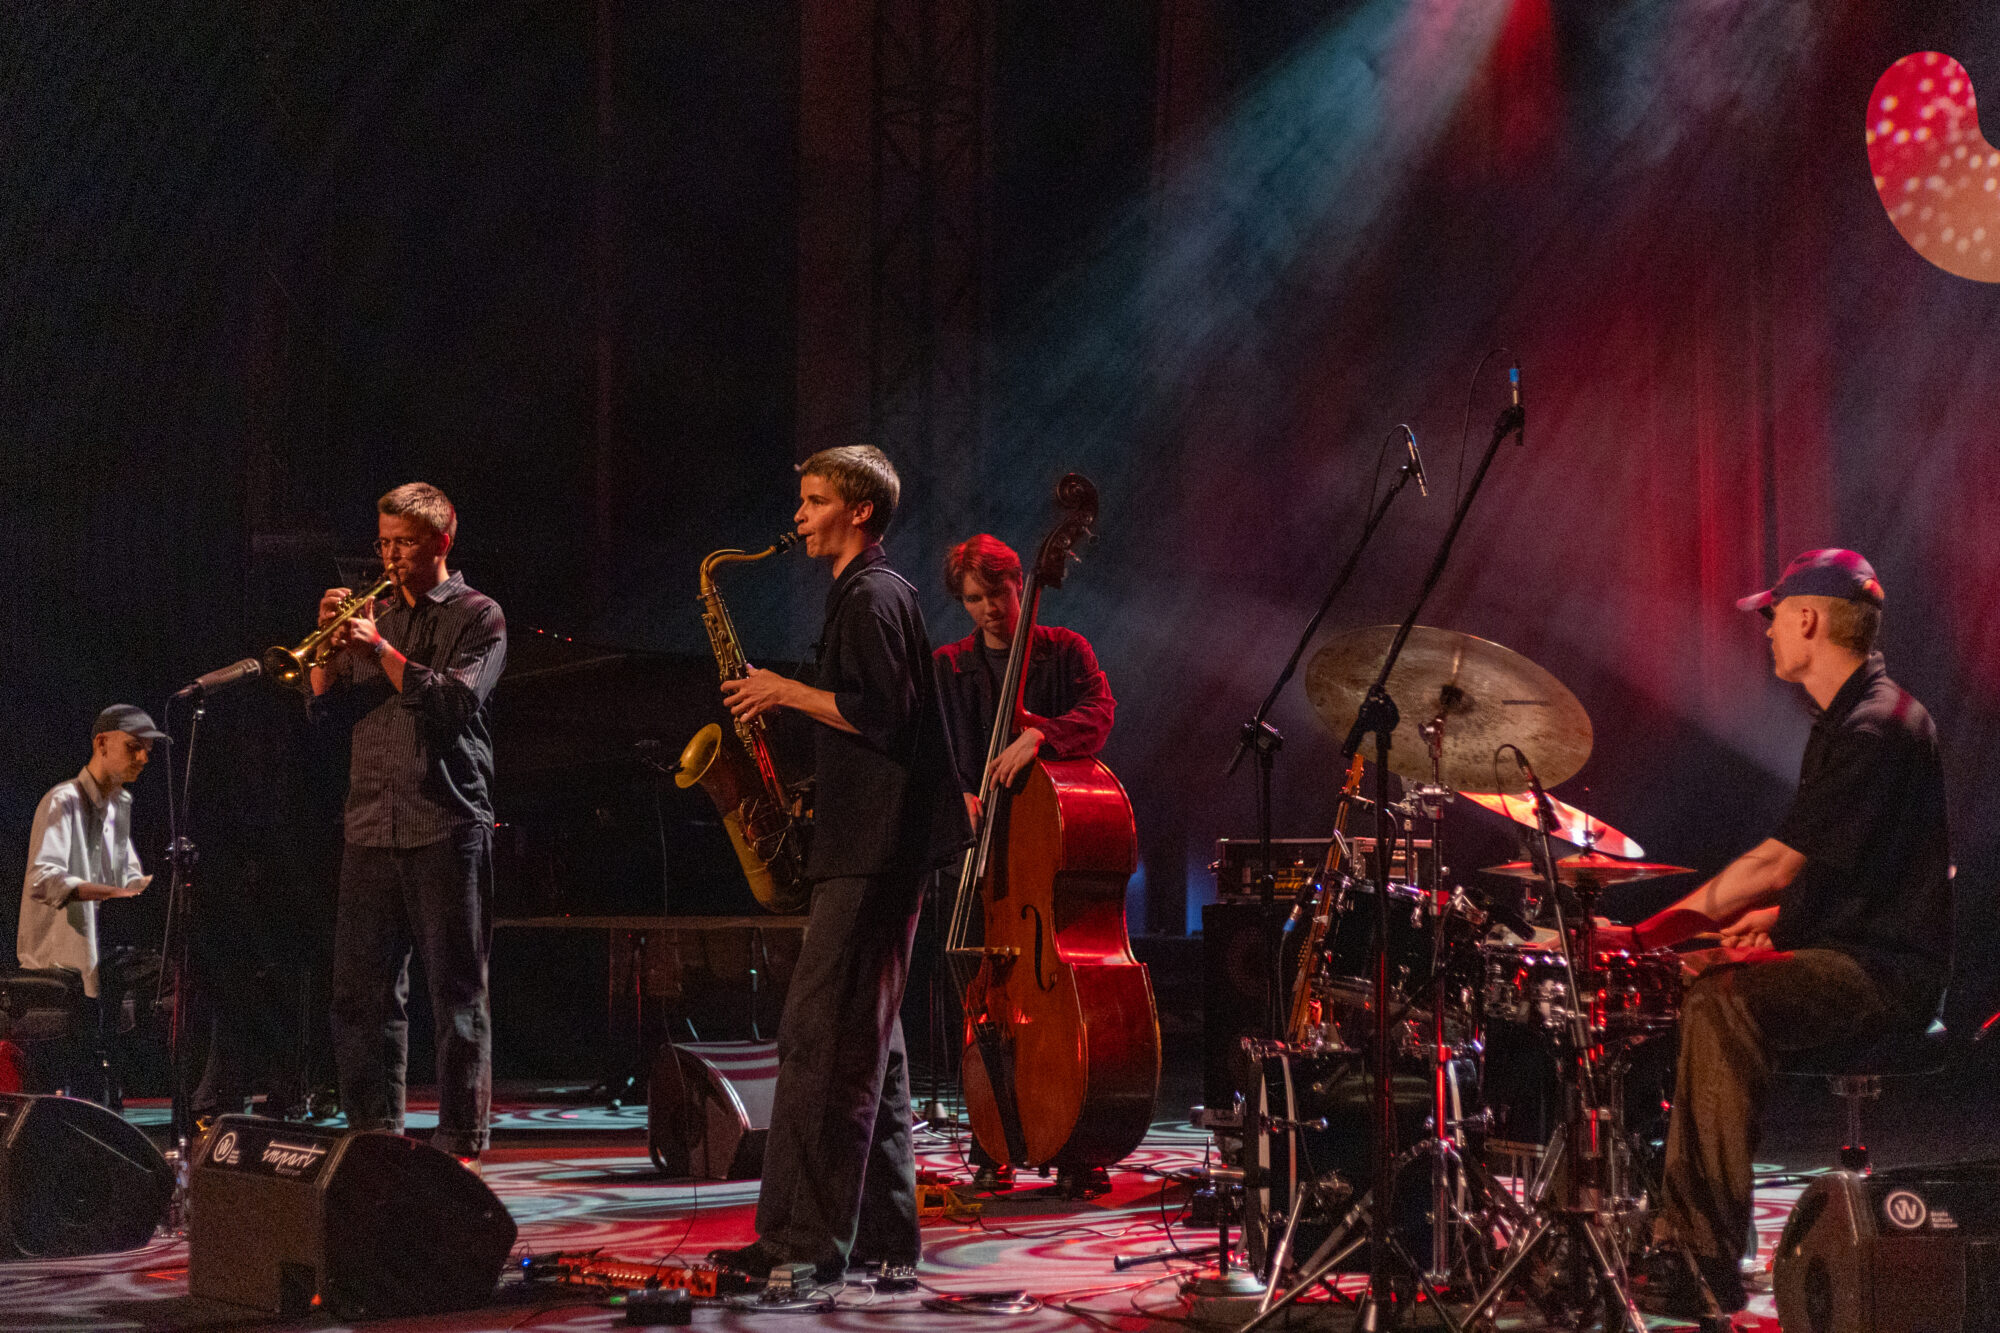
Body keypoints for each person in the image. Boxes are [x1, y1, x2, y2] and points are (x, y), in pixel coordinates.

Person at [1595, 549, 1951, 1316]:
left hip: (1885, 976)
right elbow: (1838, 877)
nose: (1766, 632)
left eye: (1774, 615)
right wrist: (1733, 937)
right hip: (1850, 952)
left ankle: (1702, 1256)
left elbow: (1775, 865)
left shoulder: (1875, 727)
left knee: (1722, 999)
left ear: (1810, 618)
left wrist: (1642, 936)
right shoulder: (1853, 718)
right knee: (1688, 979)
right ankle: (1665, 1212)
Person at [712, 445, 969, 1284]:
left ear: (859, 511)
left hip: (874, 850)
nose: (799, 515)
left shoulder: (870, 594)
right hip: (875, 846)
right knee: (872, 1048)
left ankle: (800, 1242)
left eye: (815, 500)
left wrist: (782, 691)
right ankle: (885, 1235)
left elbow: (883, 714)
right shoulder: (871, 592)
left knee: (818, 1040)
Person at [310, 482, 507, 1163]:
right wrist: (325, 651)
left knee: (456, 991)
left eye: (404, 544)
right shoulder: (378, 615)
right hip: (369, 820)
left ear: (441, 541)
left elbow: (451, 703)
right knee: (359, 994)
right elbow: (325, 712)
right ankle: (374, 1135)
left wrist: (380, 652)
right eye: (384, 542)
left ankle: (460, 1138)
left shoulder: (480, 616)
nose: (389, 557)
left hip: (446, 819)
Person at [18, 705, 161, 1097]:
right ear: (102, 743)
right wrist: (113, 892)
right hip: (63, 961)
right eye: (134, 747)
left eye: (147, 750)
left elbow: (129, 877)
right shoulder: (62, 801)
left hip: (104, 956)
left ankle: (198, 1099)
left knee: (184, 972)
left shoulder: (116, 806)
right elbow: (42, 879)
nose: (143, 758)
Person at [933, 533, 1116, 820]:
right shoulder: (946, 666)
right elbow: (930, 752)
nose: (989, 608)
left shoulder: (1067, 649)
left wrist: (1042, 734)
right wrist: (956, 794)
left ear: (1018, 583)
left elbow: (1100, 713)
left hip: (1047, 819)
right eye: (974, 599)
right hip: (973, 832)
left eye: (997, 592)